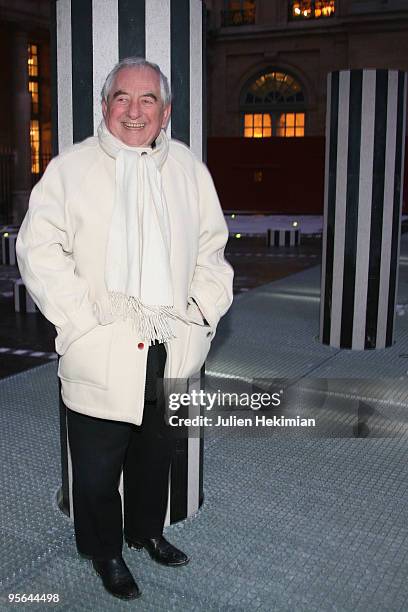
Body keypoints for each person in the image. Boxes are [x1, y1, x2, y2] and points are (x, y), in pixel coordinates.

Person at [16, 57, 233, 601]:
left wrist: (201, 312)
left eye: (147, 100)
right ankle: (105, 551)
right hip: (102, 345)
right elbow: (38, 249)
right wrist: (82, 322)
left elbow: (212, 250)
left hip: (170, 340)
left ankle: (146, 532)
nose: (134, 112)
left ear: (166, 112)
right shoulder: (71, 168)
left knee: (154, 454)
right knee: (95, 465)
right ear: (105, 106)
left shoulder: (188, 170)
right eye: (121, 98)